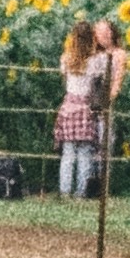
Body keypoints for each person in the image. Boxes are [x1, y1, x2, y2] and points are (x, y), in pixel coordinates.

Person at [53, 23, 104, 199]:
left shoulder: (66, 57)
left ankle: (65, 191)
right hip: (85, 107)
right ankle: (81, 191)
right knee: (84, 153)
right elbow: (98, 83)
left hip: (69, 106)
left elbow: (64, 78)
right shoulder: (95, 60)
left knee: (67, 153)